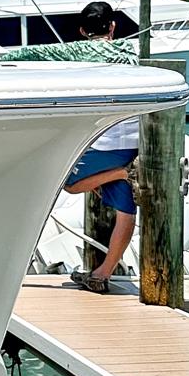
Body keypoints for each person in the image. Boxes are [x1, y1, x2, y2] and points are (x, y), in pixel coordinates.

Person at [63, 113, 139, 292]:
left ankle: (125, 173)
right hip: (133, 144)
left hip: (112, 145)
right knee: (126, 213)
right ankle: (102, 275)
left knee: (67, 181)